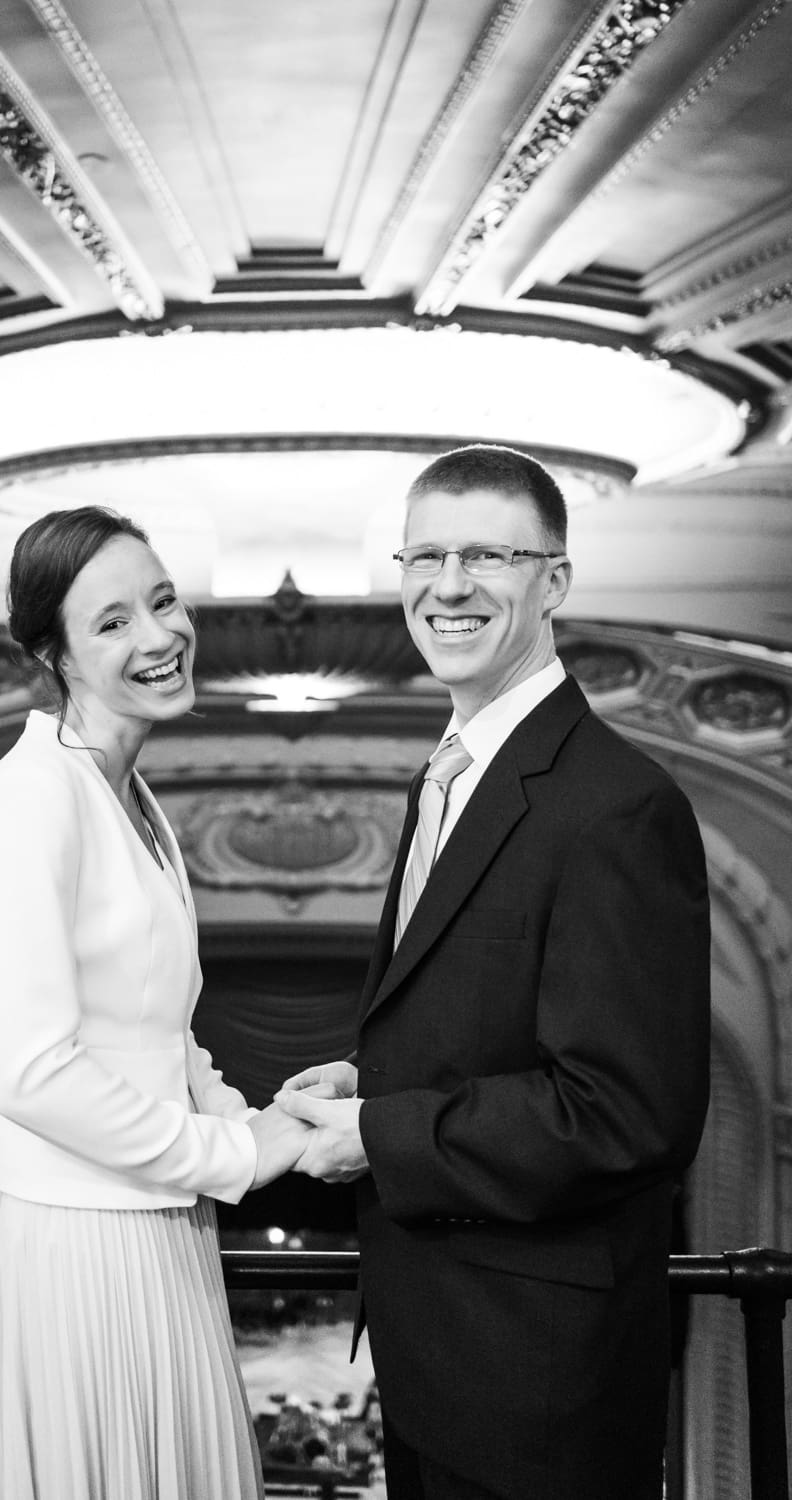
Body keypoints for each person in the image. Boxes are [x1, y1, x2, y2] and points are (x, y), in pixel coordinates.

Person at [277, 444, 711, 1500]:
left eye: (486, 555)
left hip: (540, 1382)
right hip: (439, 1364)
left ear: (553, 580)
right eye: (423, 555)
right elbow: (489, 1026)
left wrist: (377, 1134)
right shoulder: (446, 774)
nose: (448, 584)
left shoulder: (616, 806)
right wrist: (366, 1080)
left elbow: (624, 1112)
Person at [0, 506, 309, 1500]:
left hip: (160, 1222)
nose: (159, 636)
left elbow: (159, 1034)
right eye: (112, 622)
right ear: (50, 652)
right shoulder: (28, 799)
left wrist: (270, 1122)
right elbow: (29, 1073)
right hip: (83, 1241)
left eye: (162, 601)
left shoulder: (127, 795)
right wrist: (240, 1154)